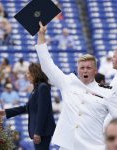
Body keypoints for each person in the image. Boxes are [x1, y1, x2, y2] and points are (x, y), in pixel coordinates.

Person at [35, 22, 117, 150]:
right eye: (82, 68)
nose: (85, 70)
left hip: (94, 147)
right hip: (67, 146)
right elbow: (47, 65)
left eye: (89, 68)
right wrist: (41, 35)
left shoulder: (107, 92)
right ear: (77, 70)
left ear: (95, 71)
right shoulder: (67, 82)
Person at [0, 63, 56, 150]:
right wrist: (6, 112)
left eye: (28, 73)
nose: (26, 75)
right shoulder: (37, 88)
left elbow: (42, 112)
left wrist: (38, 132)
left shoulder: (42, 87)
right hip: (40, 131)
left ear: (35, 73)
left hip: (42, 132)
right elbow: (27, 108)